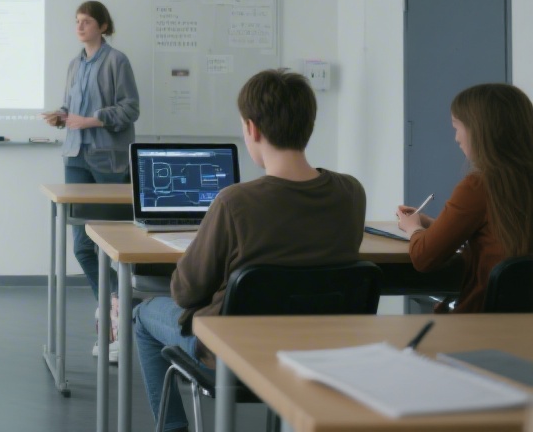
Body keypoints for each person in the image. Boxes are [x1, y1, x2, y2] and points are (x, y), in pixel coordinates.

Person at [133, 70, 366, 432]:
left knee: (142, 314)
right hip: (320, 347)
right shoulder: (351, 192)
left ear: (252, 129)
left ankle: (173, 428)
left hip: (234, 350)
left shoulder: (235, 202)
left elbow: (185, 291)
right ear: (309, 125)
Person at [41, 0, 139, 361]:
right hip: (76, 157)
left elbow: (131, 109)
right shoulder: (73, 65)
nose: (79, 26)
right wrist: (61, 117)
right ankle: (115, 303)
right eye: (77, 21)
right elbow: (73, 112)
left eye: (86, 21)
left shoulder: (117, 61)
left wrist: (91, 119)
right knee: (82, 245)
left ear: (102, 25)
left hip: (108, 160)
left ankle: (117, 316)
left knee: (110, 242)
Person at [396, 82, 533, 312]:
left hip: (482, 322)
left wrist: (413, 229)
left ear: (480, 131)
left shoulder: (479, 185)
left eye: (457, 127)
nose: (456, 139)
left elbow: (424, 258)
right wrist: (436, 225)